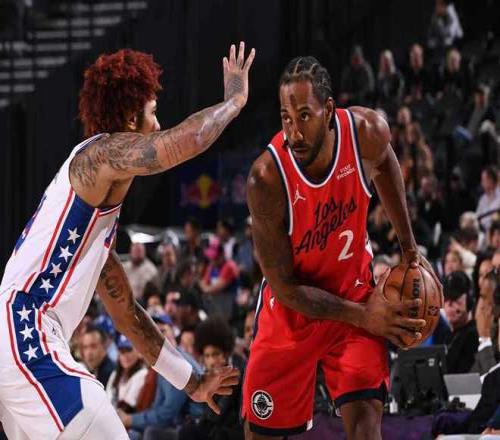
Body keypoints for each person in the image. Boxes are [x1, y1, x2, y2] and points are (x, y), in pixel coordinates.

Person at [0, 43, 254, 439]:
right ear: (130, 119)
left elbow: (128, 317)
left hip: (18, 343)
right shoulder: (100, 155)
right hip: (27, 331)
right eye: (153, 113)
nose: (158, 124)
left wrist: (192, 381)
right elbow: (185, 140)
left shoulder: (88, 227)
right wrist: (234, 102)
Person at [243, 56, 439, 439]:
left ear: (329, 110)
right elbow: (285, 288)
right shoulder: (265, 179)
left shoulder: (366, 132)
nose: (294, 132)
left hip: (355, 293)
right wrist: (364, 316)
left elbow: (386, 165)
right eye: (286, 118)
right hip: (293, 314)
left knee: (367, 428)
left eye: (304, 116)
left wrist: (411, 250)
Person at [106, 335, 148, 412]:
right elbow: (107, 400)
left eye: (128, 350)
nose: (125, 356)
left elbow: (128, 407)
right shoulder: (115, 374)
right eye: (122, 351)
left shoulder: (143, 373)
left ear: (139, 352)